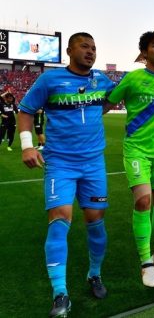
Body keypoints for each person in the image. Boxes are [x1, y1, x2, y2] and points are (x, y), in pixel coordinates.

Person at [18, 32, 115, 317]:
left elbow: (113, 99)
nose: (90, 51)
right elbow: (25, 111)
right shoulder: (49, 80)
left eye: (94, 47)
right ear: (70, 50)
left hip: (93, 163)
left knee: (95, 221)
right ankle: (60, 293)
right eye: (84, 46)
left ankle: (94, 274)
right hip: (60, 163)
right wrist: (27, 146)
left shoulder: (102, 80)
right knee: (60, 219)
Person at [104, 31, 154, 287]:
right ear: (144, 53)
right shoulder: (132, 77)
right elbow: (106, 104)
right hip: (136, 149)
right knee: (144, 201)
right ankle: (145, 262)